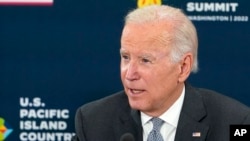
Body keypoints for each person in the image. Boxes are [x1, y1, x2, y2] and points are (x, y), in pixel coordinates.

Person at [71, 4, 250, 141]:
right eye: (126, 57)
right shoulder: (92, 122)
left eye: (145, 60)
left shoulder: (235, 123)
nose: (129, 74)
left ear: (183, 67)